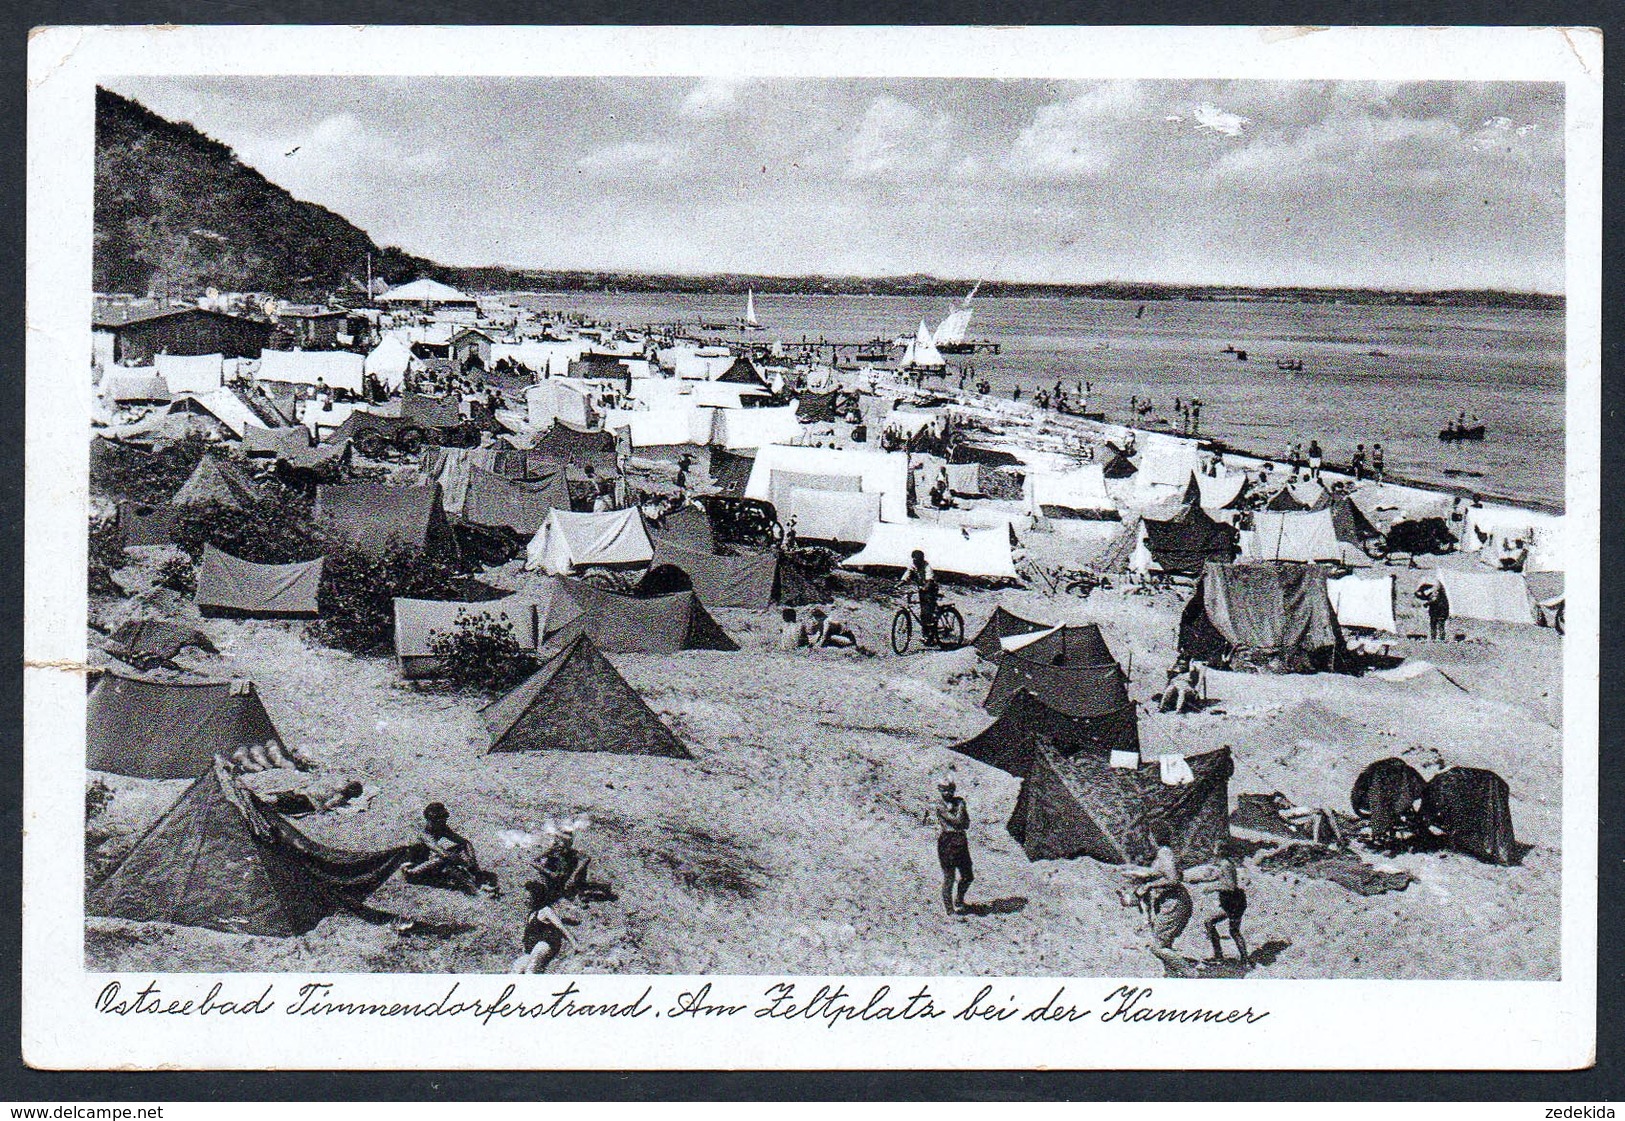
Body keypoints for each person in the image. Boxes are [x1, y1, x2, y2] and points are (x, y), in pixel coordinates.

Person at [1123, 826, 1195, 976]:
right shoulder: (1164, 853)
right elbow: (1160, 872)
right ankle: (1172, 975)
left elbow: (1173, 879)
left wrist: (1150, 884)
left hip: (1175, 903)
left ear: (1154, 838)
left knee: (1158, 947)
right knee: (1164, 944)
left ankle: (1191, 974)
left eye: (1150, 836)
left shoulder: (1164, 854)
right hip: (1170, 902)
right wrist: (1137, 873)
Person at [404, 802, 497, 895]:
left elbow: (465, 843)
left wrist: (472, 862)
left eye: (445, 819)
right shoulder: (424, 835)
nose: (444, 822)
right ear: (431, 821)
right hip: (412, 872)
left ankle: (477, 876)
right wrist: (463, 862)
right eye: (441, 820)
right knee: (445, 859)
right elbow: (442, 853)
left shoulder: (441, 828)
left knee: (458, 851)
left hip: (426, 864)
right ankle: (476, 889)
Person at [1189, 851, 1249, 964]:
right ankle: (1241, 959)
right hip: (1233, 901)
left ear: (1219, 851)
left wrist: (1212, 888)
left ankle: (1223, 957)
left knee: (1230, 930)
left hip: (1232, 902)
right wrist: (1200, 881)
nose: (1212, 851)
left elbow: (1230, 886)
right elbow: (1220, 878)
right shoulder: (1226, 864)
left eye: (1215, 849)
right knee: (1219, 926)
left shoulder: (1225, 864)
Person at [929, 779, 974, 916]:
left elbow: (966, 824)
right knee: (949, 877)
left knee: (968, 876)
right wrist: (961, 808)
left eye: (950, 789)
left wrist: (960, 812)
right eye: (944, 789)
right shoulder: (940, 805)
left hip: (960, 840)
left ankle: (959, 900)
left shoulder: (958, 801)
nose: (948, 792)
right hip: (947, 841)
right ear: (939, 790)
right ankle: (949, 910)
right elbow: (958, 820)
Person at [900, 549, 940, 646]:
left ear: (922, 559)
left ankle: (930, 635)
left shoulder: (927, 566)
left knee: (927, 612)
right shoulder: (913, 565)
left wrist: (925, 587)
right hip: (922, 590)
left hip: (930, 590)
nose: (915, 561)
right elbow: (907, 574)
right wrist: (901, 583)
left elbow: (929, 580)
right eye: (914, 560)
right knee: (923, 613)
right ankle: (926, 634)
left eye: (917, 560)